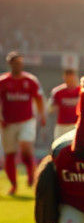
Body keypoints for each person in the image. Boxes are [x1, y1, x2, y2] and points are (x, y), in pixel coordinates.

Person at [0, 51, 46, 195]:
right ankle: (14, 185)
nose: (18, 65)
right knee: (10, 155)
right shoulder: (3, 82)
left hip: (27, 120)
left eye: (20, 62)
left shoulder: (31, 80)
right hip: (8, 122)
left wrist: (42, 115)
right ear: (10, 64)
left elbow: (39, 98)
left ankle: (31, 174)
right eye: (15, 63)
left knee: (26, 147)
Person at [49, 68, 80, 141]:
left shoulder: (82, 91)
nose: (70, 80)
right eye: (68, 77)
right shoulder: (57, 92)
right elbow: (51, 108)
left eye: (72, 77)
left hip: (76, 126)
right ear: (64, 77)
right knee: (58, 148)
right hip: (62, 125)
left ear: (76, 77)